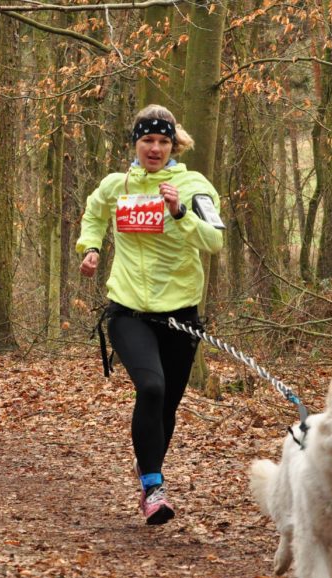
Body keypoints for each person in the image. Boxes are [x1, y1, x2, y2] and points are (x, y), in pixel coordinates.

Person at [77, 105, 223, 525]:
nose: (155, 148)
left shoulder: (193, 185)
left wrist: (180, 214)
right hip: (128, 310)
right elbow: (93, 214)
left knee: (167, 407)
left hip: (179, 315)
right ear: (135, 144)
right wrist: (90, 248)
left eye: (163, 141)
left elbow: (214, 241)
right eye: (147, 141)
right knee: (152, 387)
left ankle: (149, 471)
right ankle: (153, 489)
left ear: (174, 144)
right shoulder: (117, 184)